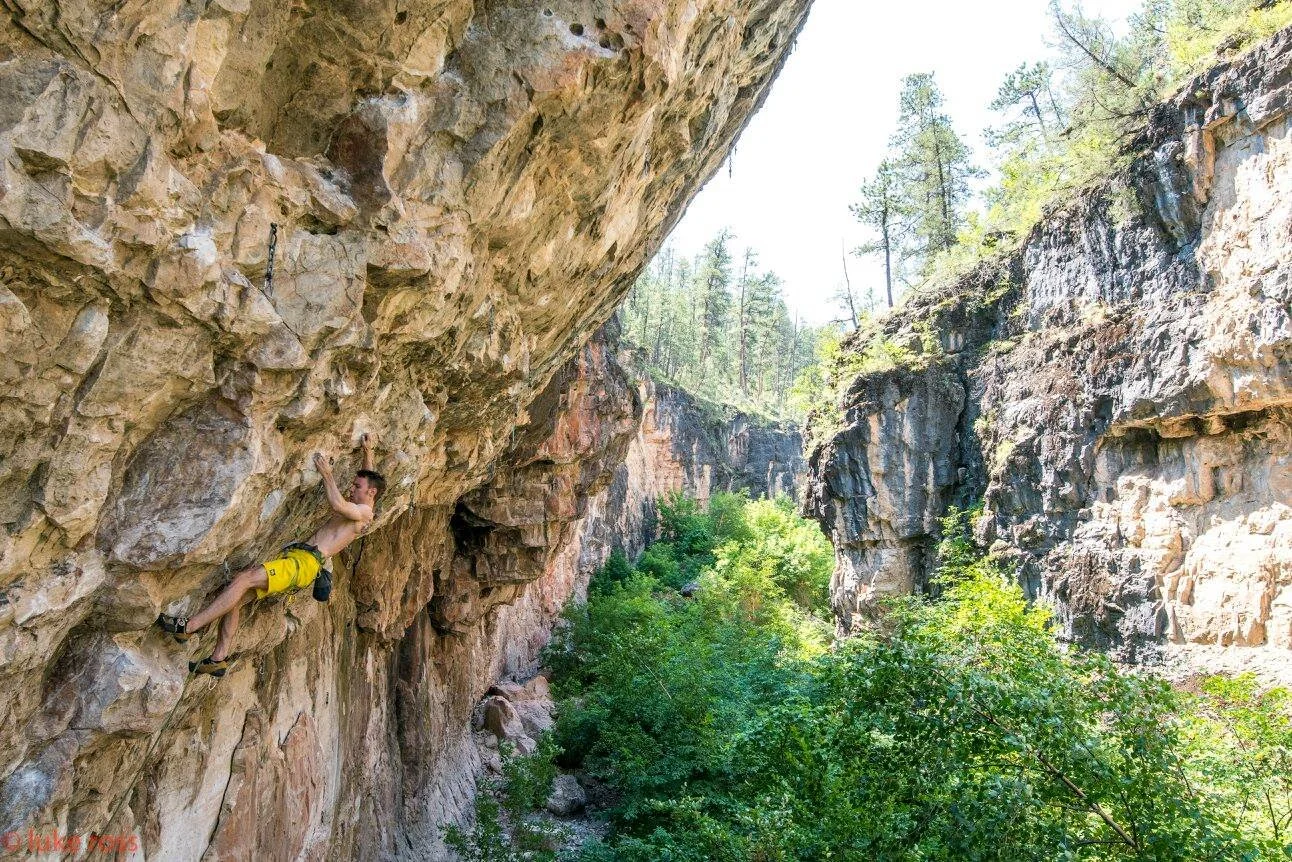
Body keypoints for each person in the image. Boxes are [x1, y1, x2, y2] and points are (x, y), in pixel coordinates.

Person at [156, 433, 385, 677]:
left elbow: (338, 504)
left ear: (370, 493)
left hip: (303, 564)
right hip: (299, 562)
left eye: (356, 487)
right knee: (236, 594)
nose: (351, 489)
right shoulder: (363, 506)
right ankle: (218, 659)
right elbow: (369, 481)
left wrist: (327, 474)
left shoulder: (364, 514)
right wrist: (367, 452)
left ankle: (188, 627)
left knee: (243, 579)